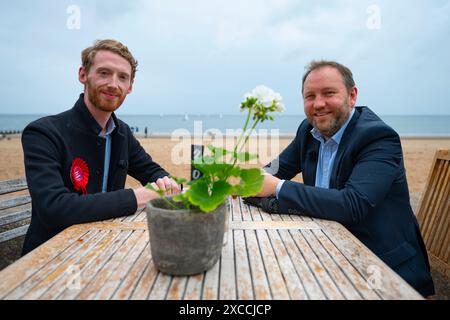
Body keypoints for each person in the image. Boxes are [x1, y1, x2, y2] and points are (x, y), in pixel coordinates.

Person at [247, 60, 434, 297]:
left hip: (381, 267)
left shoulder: (378, 138)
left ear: (352, 95)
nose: (318, 104)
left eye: (329, 93)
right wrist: (232, 180)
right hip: (328, 249)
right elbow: (274, 170)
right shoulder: (308, 130)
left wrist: (279, 187)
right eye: (310, 96)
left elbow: (353, 204)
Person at [21, 39, 180, 255]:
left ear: (130, 86)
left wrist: (168, 184)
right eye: (104, 73)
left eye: (122, 77)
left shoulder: (122, 133)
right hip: (50, 256)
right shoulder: (43, 132)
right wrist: (140, 196)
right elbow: (54, 208)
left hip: (106, 247)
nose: (114, 84)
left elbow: (152, 171)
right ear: (83, 75)